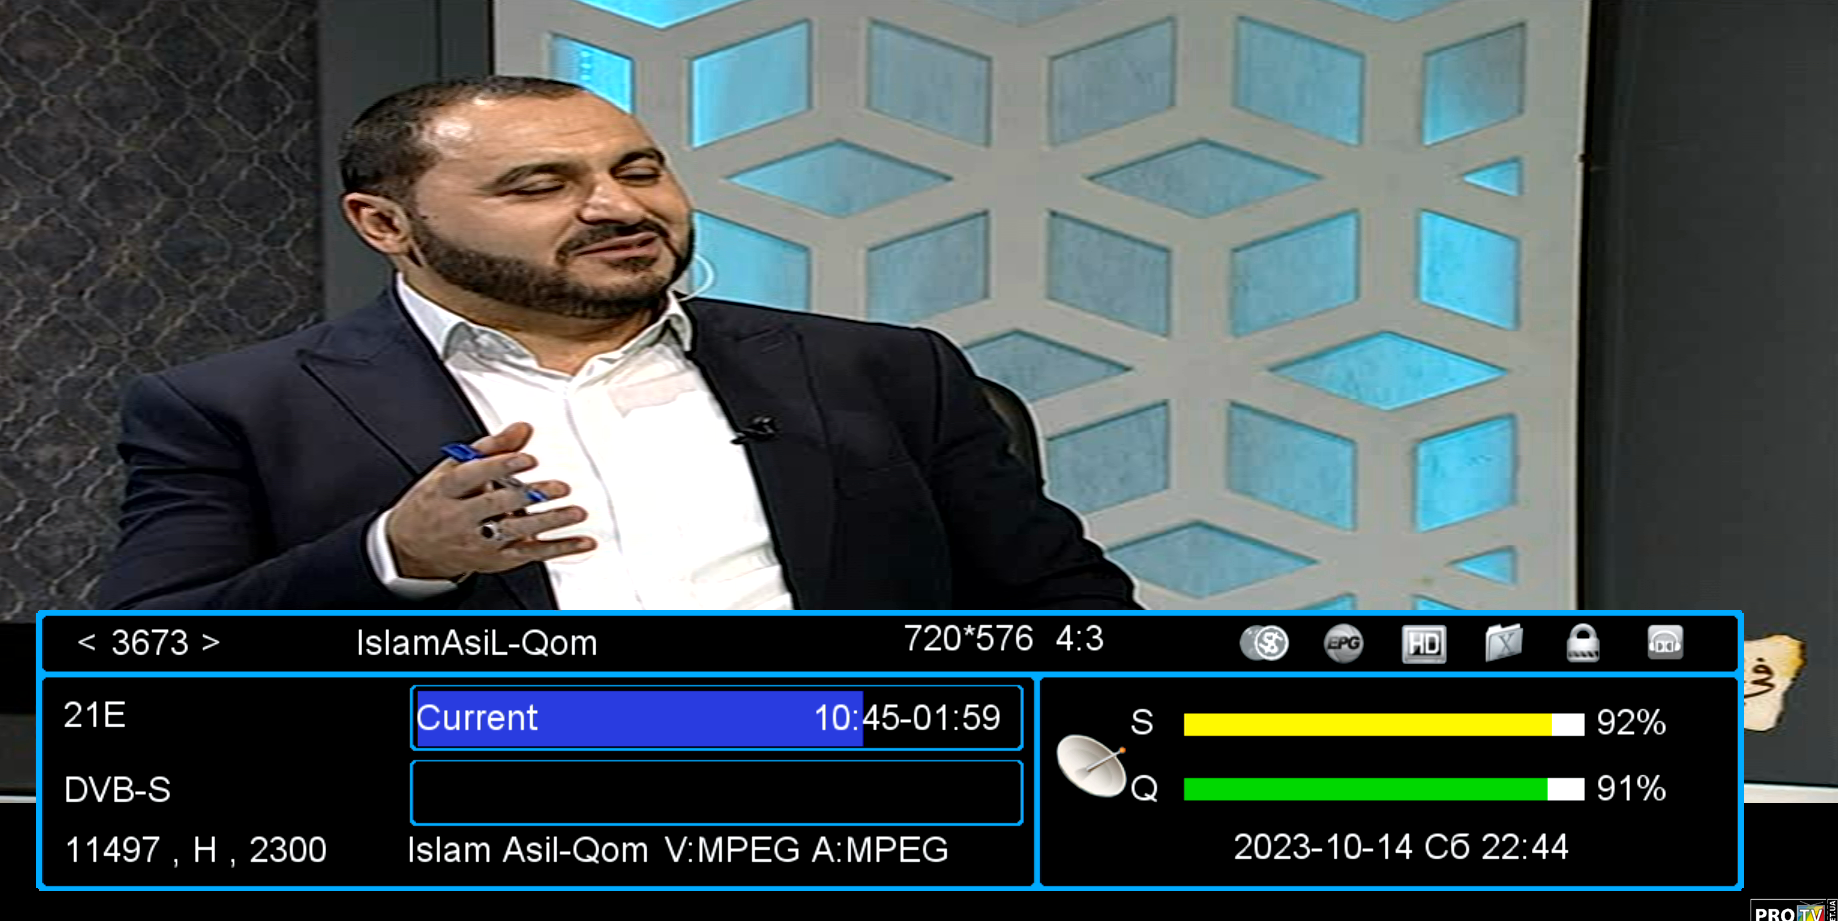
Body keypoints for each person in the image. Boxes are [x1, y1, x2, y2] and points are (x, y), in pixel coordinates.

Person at [101, 76, 1138, 611]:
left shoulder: (879, 371)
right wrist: (395, 558)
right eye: (539, 186)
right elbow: (150, 656)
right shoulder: (238, 408)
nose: (618, 207)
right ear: (385, 224)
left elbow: (1068, 613)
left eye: (638, 171)